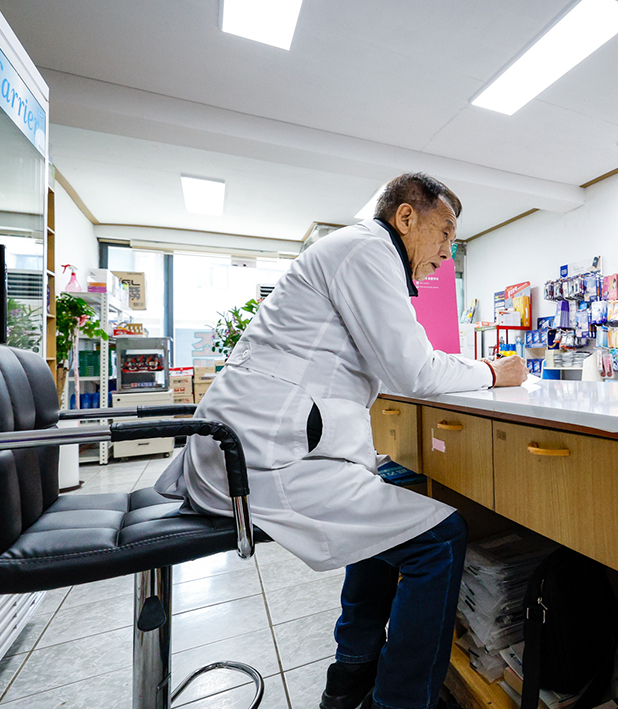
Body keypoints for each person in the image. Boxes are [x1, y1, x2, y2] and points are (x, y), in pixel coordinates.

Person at [155, 173, 527, 709]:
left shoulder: (360, 255)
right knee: (441, 540)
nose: (447, 254)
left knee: (378, 511)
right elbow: (413, 371)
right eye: (444, 233)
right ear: (405, 218)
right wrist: (493, 371)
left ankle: (351, 676)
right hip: (264, 460)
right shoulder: (367, 252)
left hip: (258, 448)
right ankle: (398, 701)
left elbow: (383, 361)